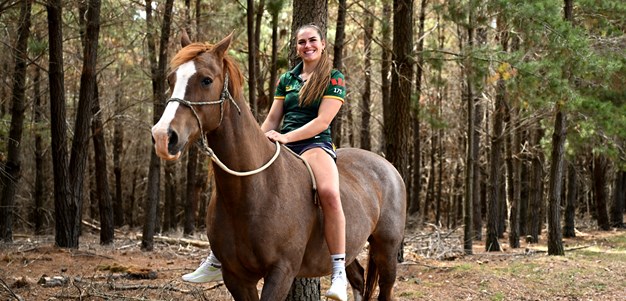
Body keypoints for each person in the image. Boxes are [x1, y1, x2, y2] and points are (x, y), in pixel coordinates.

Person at [182, 24, 348, 301]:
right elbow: (272, 118)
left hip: (314, 144)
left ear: (323, 44)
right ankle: (217, 255)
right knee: (236, 185)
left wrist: (285, 137)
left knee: (330, 193)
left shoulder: (334, 78)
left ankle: (339, 270)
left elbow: (322, 121)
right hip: (280, 141)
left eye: (312, 41)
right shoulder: (288, 79)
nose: (307, 46)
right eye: (301, 42)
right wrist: (255, 142)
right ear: (296, 47)